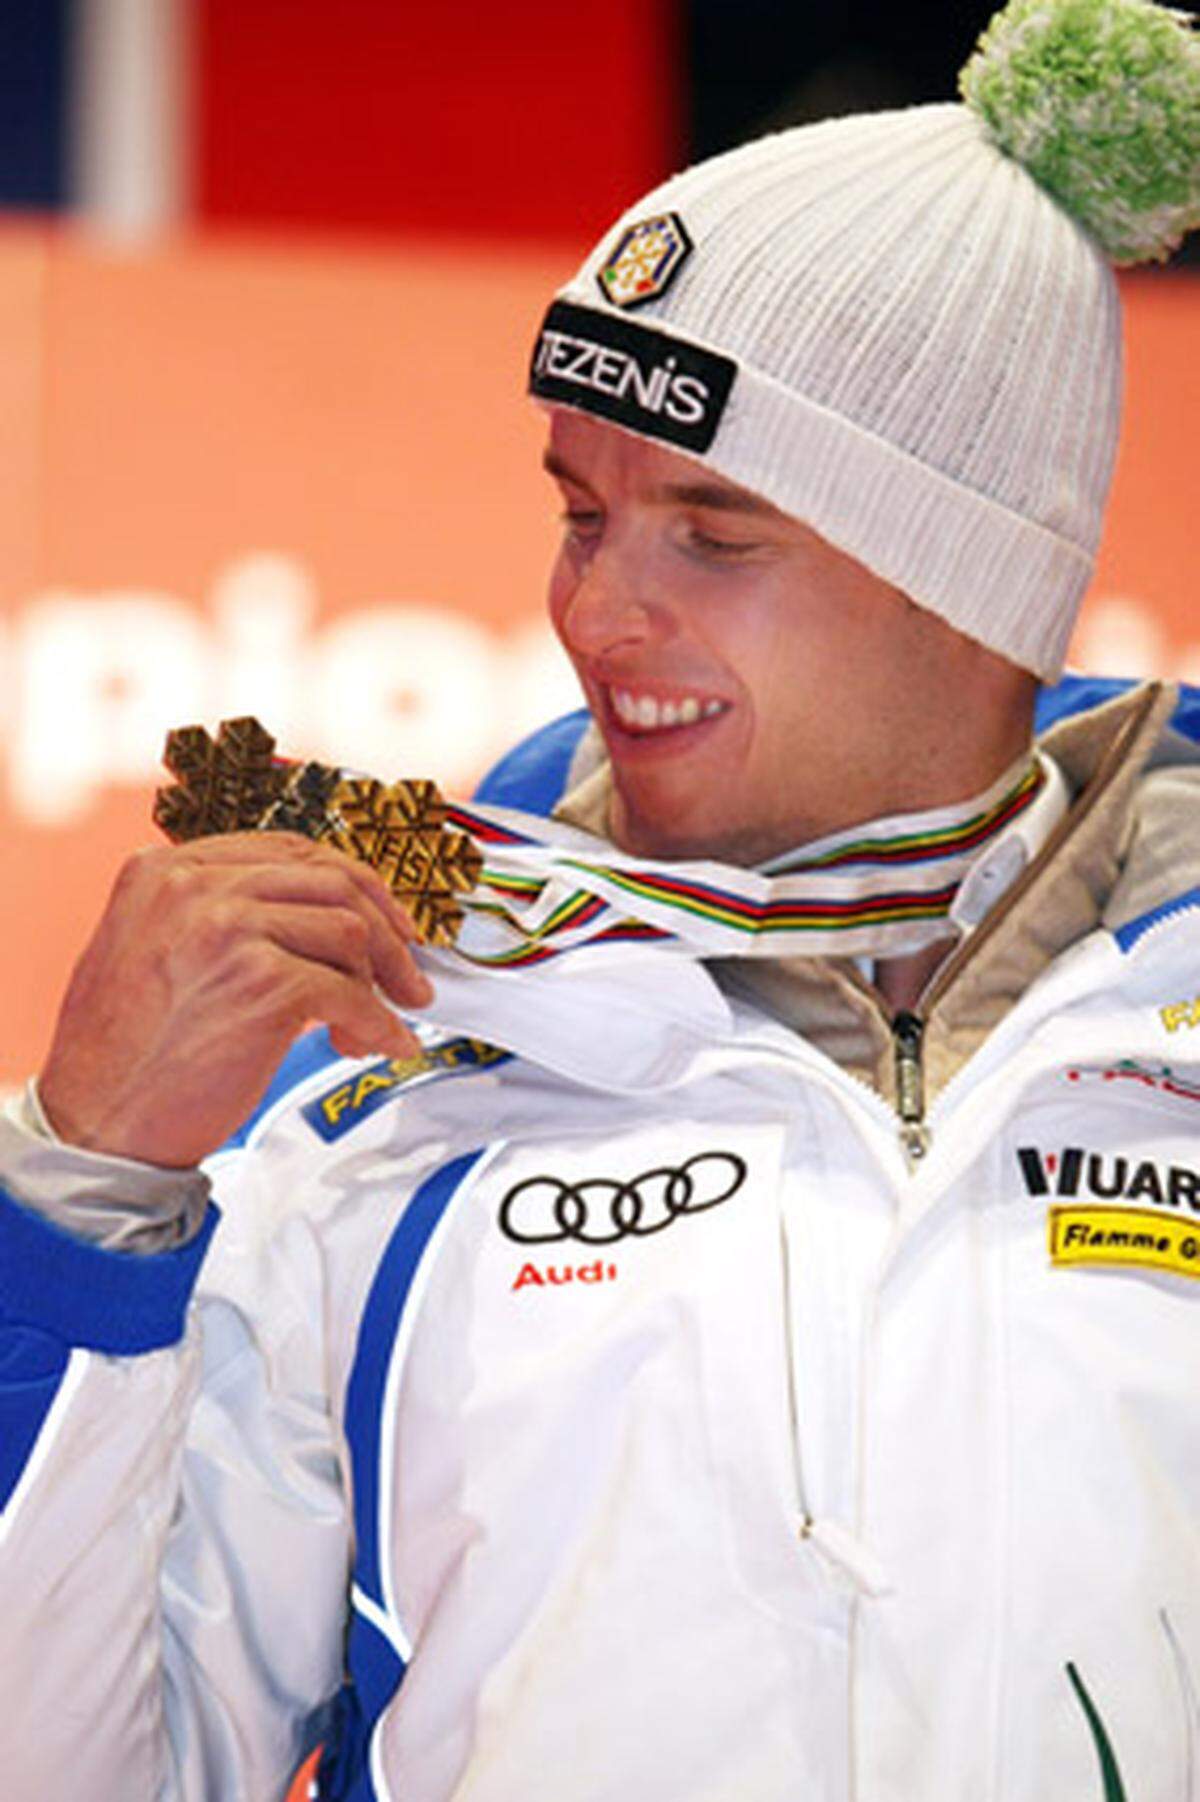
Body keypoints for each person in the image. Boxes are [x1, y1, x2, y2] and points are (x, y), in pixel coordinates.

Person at [2, 0, 1199, 1796]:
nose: (597, 610)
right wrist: (81, 1191)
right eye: (582, 511)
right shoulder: (384, 1072)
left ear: (977, 583)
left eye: (713, 535)